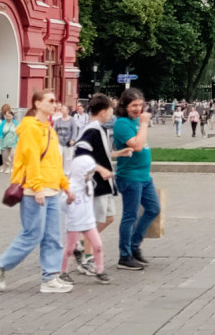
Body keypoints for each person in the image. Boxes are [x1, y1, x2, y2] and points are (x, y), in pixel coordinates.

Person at [0, 90, 76, 294]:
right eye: (50, 101)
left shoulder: (48, 129)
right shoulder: (30, 129)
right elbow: (31, 160)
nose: (55, 104)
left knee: (52, 236)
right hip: (35, 190)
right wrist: (37, 188)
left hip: (51, 189)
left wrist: (65, 186)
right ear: (37, 104)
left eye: (55, 101)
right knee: (32, 234)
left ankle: (50, 277)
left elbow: (54, 162)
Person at [76, 94, 133, 274]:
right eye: (109, 111)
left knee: (108, 218)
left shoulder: (99, 130)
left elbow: (101, 154)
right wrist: (99, 169)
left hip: (105, 183)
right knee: (94, 221)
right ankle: (86, 257)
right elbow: (80, 156)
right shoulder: (90, 131)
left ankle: (80, 245)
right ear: (102, 111)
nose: (111, 114)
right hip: (96, 184)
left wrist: (118, 153)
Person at [112, 88, 160, 270]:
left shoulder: (135, 122)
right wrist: (145, 124)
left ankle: (134, 245)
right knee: (130, 216)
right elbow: (138, 146)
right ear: (125, 106)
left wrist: (141, 124)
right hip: (130, 176)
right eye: (134, 105)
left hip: (144, 176)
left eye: (140, 105)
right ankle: (124, 256)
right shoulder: (122, 124)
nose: (138, 109)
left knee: (153, 208)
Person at [59, 141, 111, 285]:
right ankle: (62, 272)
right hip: (74, 223)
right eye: (88, 173)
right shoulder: (71, 186)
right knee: (69, 249)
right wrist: (69, 200)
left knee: (98, 245)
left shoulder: (89, 184)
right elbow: (62, 205)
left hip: (88, 221)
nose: (90, 175)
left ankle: (100, 271)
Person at [54, 105, 77, 174]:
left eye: (64, 109)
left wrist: (73, 139)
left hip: (68, 142)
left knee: (68, 158)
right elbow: (54, 130)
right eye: (62, 109)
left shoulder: (72, 120)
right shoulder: (58, 120)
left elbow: (74, 130)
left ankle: (67, 173)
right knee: (59, 156)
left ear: (68, 111)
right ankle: (59, 171)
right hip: (59, 141)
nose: (62, 110)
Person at [0, 110, 18, 174]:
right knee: (5, 156)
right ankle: (6, 167)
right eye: (6, 116)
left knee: (13, 155)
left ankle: (12, 167)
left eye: (9, 116)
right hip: (5, 142)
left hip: (13, 142)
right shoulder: (3, 123)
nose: (8, 117)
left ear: (12, 116)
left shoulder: (15, 123)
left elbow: (19, 132)